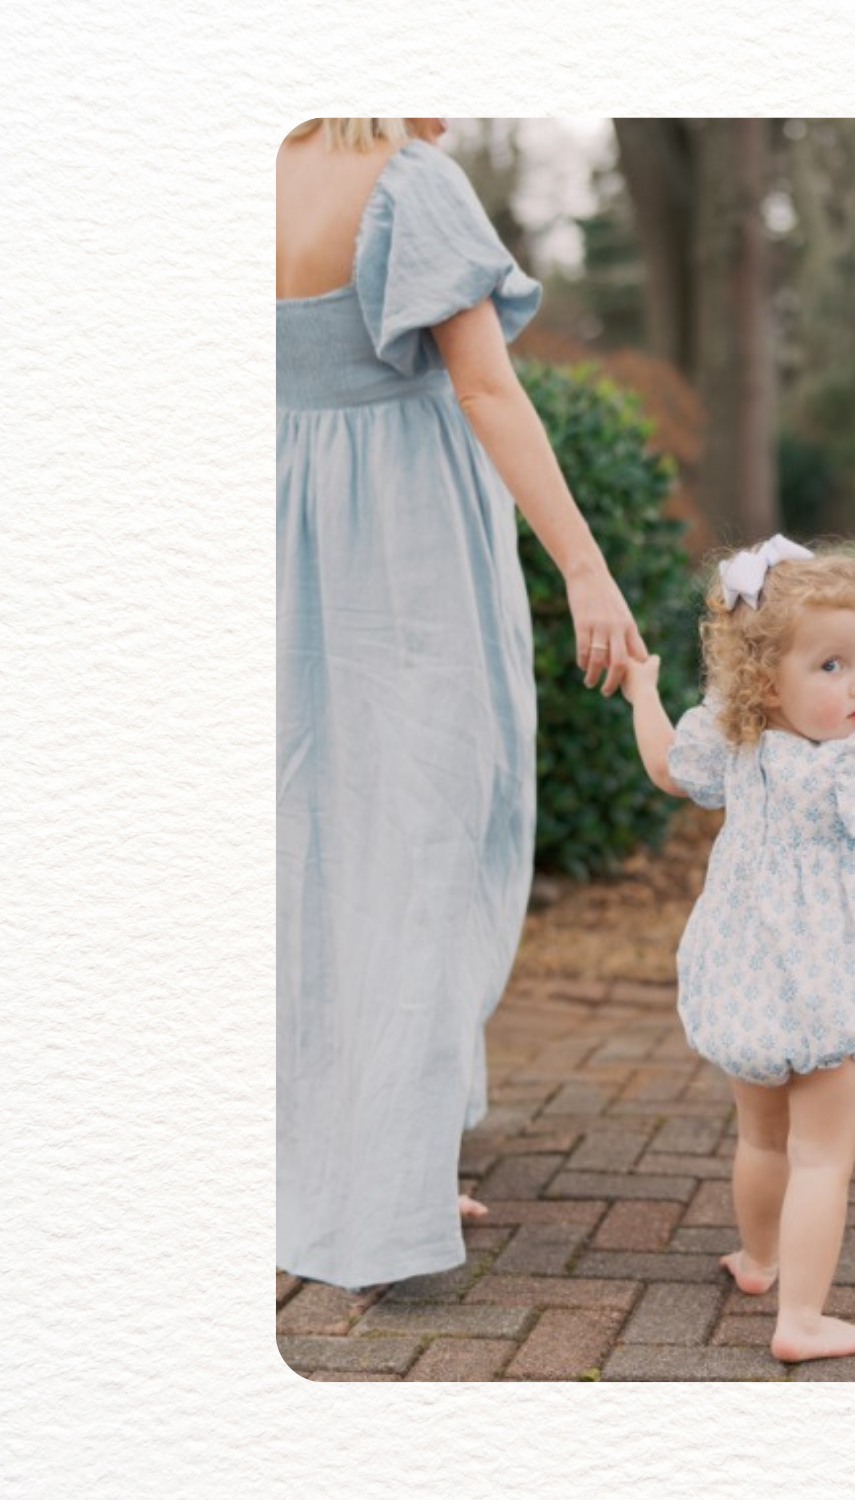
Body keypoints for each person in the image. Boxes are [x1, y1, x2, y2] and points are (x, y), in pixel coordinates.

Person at [276, 117, 645, 1292]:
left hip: (286, 533)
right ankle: (384, 1200)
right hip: (406, 548)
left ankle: (329, 1168)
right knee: (428, 850)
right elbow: (484, 385)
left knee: (307, 854)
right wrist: (586, 566)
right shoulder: (410, 184)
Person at [620, 538, 855, 1360]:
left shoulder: (734, 744)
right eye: (831, 666)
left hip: (749, 973)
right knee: (822, 1158)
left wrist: (640, 691)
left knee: (761, 1138)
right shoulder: (849, 763)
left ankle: (758, 1260)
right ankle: (800, 1320)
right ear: (766, 683)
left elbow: (661, 764)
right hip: (831, 982)